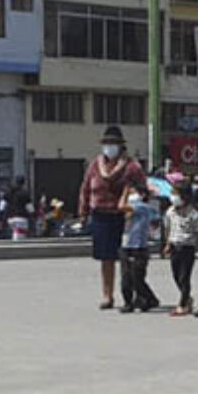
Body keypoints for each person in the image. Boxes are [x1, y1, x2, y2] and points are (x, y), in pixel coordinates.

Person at [77, 125, 144, 310]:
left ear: (121, 146)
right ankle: (107, 295)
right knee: (106, 259)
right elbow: (85, 189)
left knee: (128, 258)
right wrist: (82, 213)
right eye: (106, 143)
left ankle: (132, 294)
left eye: (113, 143)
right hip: (100, 216)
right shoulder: (95, 165)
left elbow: (143, 190)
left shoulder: (131, 167)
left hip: (124, 217)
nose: (109, 147)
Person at [118, 186, 162, 314]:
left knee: (137, 277)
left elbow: (121, 206)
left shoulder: (142, 207)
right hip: (126, 245)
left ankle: (148, 298)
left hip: (139, 247)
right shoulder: (131, 209)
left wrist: (124, 191)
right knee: (126, 276)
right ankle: (128, 302)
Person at [164, 185, 198, 316]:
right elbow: (168, 228)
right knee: (176, 275)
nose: (173, 197)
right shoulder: (170, 212)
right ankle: (187, 298)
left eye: (175, 194)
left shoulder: (193, 214)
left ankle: (183, 304)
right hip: (175, 246)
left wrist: (197, 242)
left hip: (187, 247)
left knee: (184, 276)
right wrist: (167, 243)